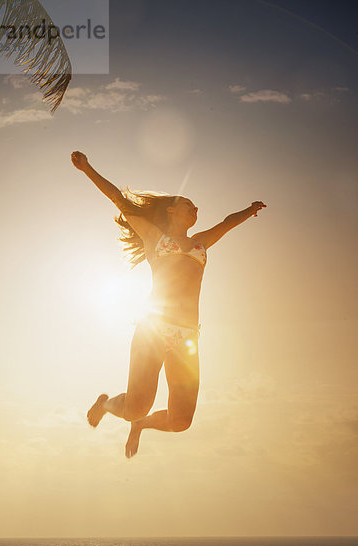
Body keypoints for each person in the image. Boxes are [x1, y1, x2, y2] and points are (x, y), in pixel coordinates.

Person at [71, 150, 267, 458]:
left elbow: (227, 223)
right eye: (189, 205)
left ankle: (141, 426)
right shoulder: (154, 237)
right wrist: (87, 169)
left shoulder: (201, 241)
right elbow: (119, 200)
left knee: (180, 422)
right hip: (154, 328)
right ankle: (106, 404)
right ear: (172, 212)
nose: (196, 208)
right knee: (135, 405)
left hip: (188, 336)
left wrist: (249, 210)